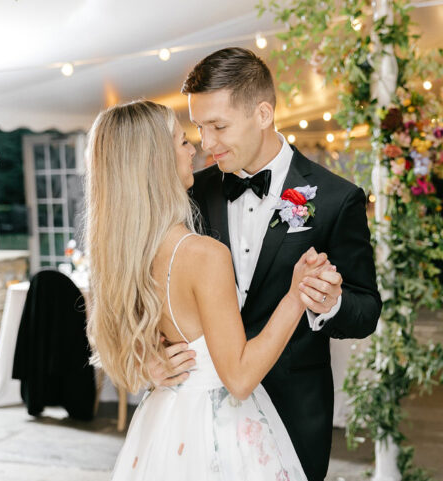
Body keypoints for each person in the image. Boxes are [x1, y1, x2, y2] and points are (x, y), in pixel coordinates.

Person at [149, 47, 379, 480]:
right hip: (203, 415)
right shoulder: (190, 192)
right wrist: (148, 356)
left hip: (295, 411)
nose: (207, 144)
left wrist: (330, 304)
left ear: (263, 113)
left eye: (218, 126)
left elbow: (366, 311)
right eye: (199, 127)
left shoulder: (335, 198)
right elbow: (153, 286)